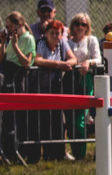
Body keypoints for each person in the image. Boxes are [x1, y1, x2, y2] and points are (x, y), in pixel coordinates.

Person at [34, 20, 77, 161]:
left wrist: (69, 63)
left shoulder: (62, 44)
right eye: (51, 33)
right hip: (43, 87)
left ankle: (59, 153)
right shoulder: (41, 44)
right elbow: (38, 60)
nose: (54, 36)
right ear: (46, 34)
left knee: (59, 121)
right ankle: (47, 154)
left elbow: (73, 58)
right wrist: (59, 64)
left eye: (57, 33)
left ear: (61, 35)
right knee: (45, 120)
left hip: (57, 87)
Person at [2, 12, 36, 160]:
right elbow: (3, 58)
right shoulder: (11, 38)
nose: (8, 29)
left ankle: (18, 150)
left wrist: (15, 45)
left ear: (19, 25)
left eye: (10, 26)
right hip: (6, 73)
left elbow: (27, 63)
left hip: (17, 76)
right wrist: (3, 43)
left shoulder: (28, 39)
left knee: (16, 117)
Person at [67, 12, 101, 159]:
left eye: (84, 24)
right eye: (77, 24)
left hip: (85, 80)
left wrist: (89, 62)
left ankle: (80, 153)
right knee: (70, 118)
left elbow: (98, 58)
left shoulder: (91, 40)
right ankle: (74, 150)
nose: (80, 27)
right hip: (69, 80)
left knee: (80, 117)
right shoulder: (67, 42)